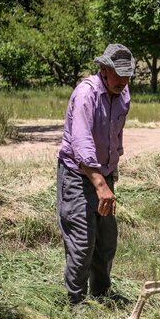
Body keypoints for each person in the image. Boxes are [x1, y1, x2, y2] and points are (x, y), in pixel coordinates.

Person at [56, 43, 135, 304]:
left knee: (106, 241)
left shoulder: (123, 93)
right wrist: (100, 183)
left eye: (127, 76)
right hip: (78, 175)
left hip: (104, 175)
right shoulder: (85, 95)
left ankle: (101, 297)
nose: (123, 81)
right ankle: (75, 303)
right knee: (82, 242)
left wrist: (111, 173)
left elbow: (115, 133)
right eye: (118, 75)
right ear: (103, 69)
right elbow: (81, 143)